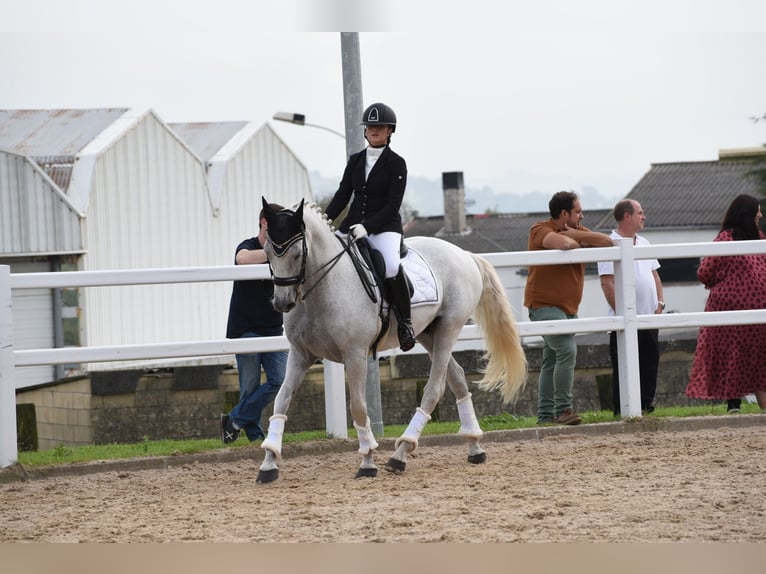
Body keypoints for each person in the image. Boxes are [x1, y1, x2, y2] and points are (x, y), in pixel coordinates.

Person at [325, 102, 416, 352]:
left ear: (390, 131)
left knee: (390, 266)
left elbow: (392, 205)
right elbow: (342, 196)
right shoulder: (355, 160)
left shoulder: (397, 163)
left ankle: (406, 324)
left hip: (385, 226)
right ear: (365, 131)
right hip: (352, 224)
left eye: (380, 127)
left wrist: (367, 226)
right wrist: (324, 221)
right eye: (370, 127)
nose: (374, 130)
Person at [524, 190, 614, 425]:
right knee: (567, 350)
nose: (582, 216)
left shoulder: (576, 230)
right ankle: (563, 409)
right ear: (564, 213)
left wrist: (577, 234)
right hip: (544, 306)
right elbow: (563, 244)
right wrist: (578, 239)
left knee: (552, 358)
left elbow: (608, 241)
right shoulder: (539, 229)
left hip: (567, 308)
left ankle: (545, 415)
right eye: (578, 212)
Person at [685, 194, 766, 412]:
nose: (760, 214)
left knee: (733, 353)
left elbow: (704, 272)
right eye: (756, 210)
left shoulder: (726, 238)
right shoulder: (757, 237)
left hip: (730, 306)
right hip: (759, 309)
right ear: (747, 214)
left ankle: (733, 403)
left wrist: (721, 280)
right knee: (759, 356)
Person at [220, 204, 288, 443]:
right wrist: (274, 251)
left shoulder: (284, 252)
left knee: (279, 380)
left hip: (273, 329)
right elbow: (242, 259)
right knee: (249, 386)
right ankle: (255, 436)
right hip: (245, 329)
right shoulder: (248, 245)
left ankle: (234, 420)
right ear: (265, 224)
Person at [597, 199, 664, 416]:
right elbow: (607, 282)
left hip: (649, 315)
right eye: (640, 213)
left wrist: (660, 302)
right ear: (627, 216)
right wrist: (622, 311)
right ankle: (622, 407)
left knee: (650, 361)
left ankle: (646, 404)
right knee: (624, 364)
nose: (644, 217)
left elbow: (654, 274)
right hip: (625, 318)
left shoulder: (644, 242)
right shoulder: (610, 243)